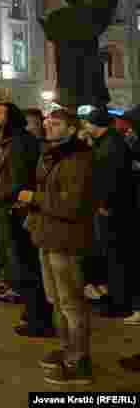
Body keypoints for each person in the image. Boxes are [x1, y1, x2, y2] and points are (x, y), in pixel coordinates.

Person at [18, 108, 95, 385]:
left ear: (72, 129)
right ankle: (67, 350)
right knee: (56, 301)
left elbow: (72, 204)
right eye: (48, 121)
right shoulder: (52, 154)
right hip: (48, 237)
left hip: (66, 240)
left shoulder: (79, 158)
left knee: (71, 303)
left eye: (56, 122)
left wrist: (34, 198)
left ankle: (80, 361)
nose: (49, 125)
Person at [0, 101, 51, 337]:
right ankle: (32, 312)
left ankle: (38, 317)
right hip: (9, 205)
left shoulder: (20, 142)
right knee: (21, 264)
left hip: (18, 208)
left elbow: (17, 180)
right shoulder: (3, 140)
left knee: (27, 264)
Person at [80, 105, 133, 319]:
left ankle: (119, 303)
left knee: (114, 257)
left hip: (111, 212)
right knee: (111, 257)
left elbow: (112, 179)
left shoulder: (111, 146)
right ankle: (116, 299)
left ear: (95, 125)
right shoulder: (108, 142)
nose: (84, 126)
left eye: (87, 123)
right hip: (111, 209)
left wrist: (105, 204)